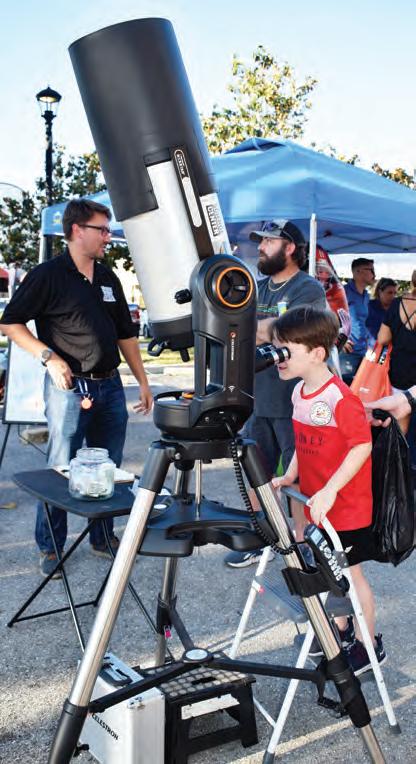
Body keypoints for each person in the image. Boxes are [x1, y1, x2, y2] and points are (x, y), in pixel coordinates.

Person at [0, 198, 153, 578]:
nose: (108, 237)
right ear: (76, 231)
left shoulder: (108, 277)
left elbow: (125, 333)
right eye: (102, 229)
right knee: (61, 470)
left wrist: (142, 381)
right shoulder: (48, 275)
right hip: (69, 389)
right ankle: (51, 547)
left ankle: (102, 538)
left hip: (111, 387)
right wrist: (49, 357)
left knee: (108, 468)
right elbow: (10, 323)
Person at [272, 306, 386, 676]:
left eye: (286, 350)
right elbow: (302, 442)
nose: (278, 357)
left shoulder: (340, 397)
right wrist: (290, 475)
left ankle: (369, 644)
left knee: (350, 575)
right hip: (317, 504)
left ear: (317, 353)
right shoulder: (298, 392)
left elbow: (361, 446)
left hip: (346, 507)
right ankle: (340, 630)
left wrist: (332, 490)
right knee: (326, 568)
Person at [225, 220, 326, 568]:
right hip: (257, 400)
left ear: (290, 248)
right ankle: (262, 536)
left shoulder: (308, 289)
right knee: (256, 474)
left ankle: (302, 544)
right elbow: (240, 327)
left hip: (294, 402)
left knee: (299, 477)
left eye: (269, 241)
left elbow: (289, 331)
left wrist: (255, 329)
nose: (261, 247)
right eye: (261, 242)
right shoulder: (256, 288)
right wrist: (262, 330)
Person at [376, 275, 416, 434]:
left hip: (400, 371)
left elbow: (382, 338)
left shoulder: (397, 303)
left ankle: (399, 450)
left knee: (400, 423)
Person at [338, 258, 376, 385]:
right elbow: (326, 317)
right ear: (358, 272)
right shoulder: (342, 292)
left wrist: (370, 346)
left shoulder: (366, 295)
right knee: (344, 388)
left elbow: (365, 323)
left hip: (363, 352)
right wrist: (338, 337)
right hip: (346, 353)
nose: (374, 274)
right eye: (371, 270)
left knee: (360, 390)